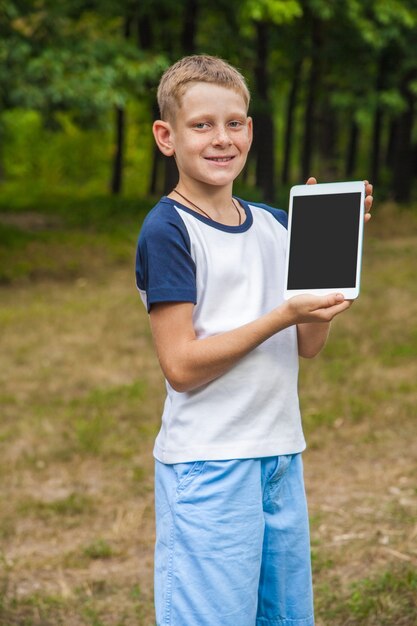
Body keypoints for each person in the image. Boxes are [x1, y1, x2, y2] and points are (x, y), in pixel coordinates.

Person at [135, 54, 373, 626]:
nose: (222, 139)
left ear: (251, 130)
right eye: (202, 125)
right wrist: (282, 315)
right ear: (166, 137)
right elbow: (182, 366)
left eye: (235, 123)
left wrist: (329, 261)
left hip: (280, 457)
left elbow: (308, 343)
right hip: (210, 465)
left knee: (284, 617)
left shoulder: (276, 223)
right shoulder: (168, 229)